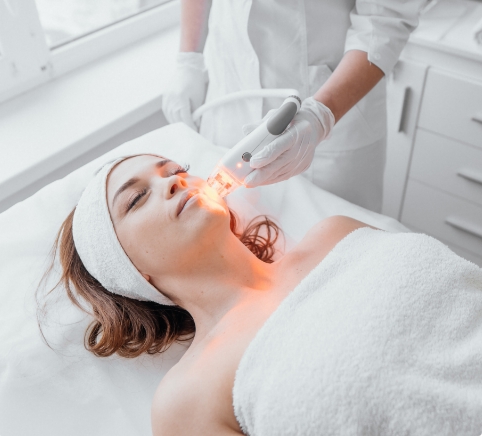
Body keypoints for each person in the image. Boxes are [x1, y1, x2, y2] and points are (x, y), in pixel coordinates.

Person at [38, 153, 482, 435]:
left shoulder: (336, 234)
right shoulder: (186, 400)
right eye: (136, 199)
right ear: (130, 272)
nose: (173, 181)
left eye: (175, 170)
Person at [161, 0, 438, 213]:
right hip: (228, 99)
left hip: (333, 121)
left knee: (325, 248)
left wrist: (320, 115)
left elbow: (384, 18)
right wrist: (189, 61)